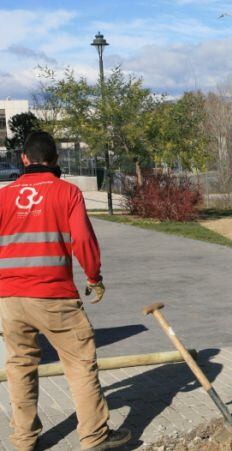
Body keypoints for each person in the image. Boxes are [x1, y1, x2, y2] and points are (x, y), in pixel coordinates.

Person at [0, 132, 130, 450]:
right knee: (79, 363)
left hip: (9, 299)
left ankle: (24, 440)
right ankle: (95, 437)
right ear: (56, 160)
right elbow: (83, 240)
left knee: (19, 365)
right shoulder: (67, 192)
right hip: (54, 296)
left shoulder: (2, 197)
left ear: (24, 160)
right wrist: (94, 277)